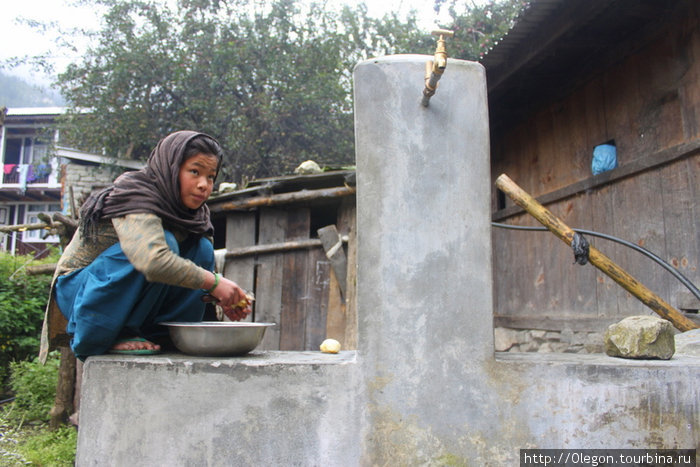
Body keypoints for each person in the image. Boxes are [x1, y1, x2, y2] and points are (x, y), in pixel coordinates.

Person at [39, 130, 251, 361]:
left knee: (201, 248)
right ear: (171, 168)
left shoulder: (194, 215)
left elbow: (198, 273)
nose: (204, 184)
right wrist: (215, 283)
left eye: (210, 176)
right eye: (194, 171)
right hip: (81, 293)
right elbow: (153, 260)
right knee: (165, 244)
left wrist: (221, 297)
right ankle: (112, 333)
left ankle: (169, 333)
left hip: (130, 293)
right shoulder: (136, 194)